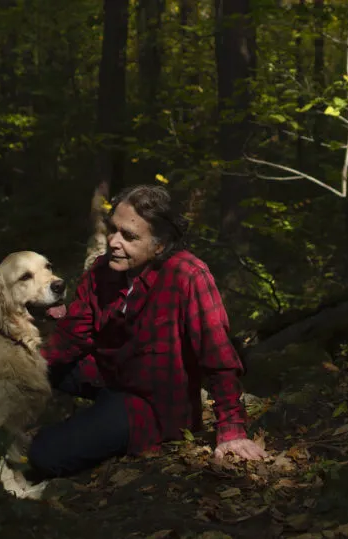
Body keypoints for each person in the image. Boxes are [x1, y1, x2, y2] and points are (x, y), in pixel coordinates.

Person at [25, 184, 268, 484]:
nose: (114, 241)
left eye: (129, 236)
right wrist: (22, 368)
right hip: (107, 374)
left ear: (160, 245)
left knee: (43, 454)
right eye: (113, 230)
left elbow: (218, 356)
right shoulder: (103, 271)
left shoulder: (188, 276)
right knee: (29, 366)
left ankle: (92, 429)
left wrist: (231, 430)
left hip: (150, 403)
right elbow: (72, 336)